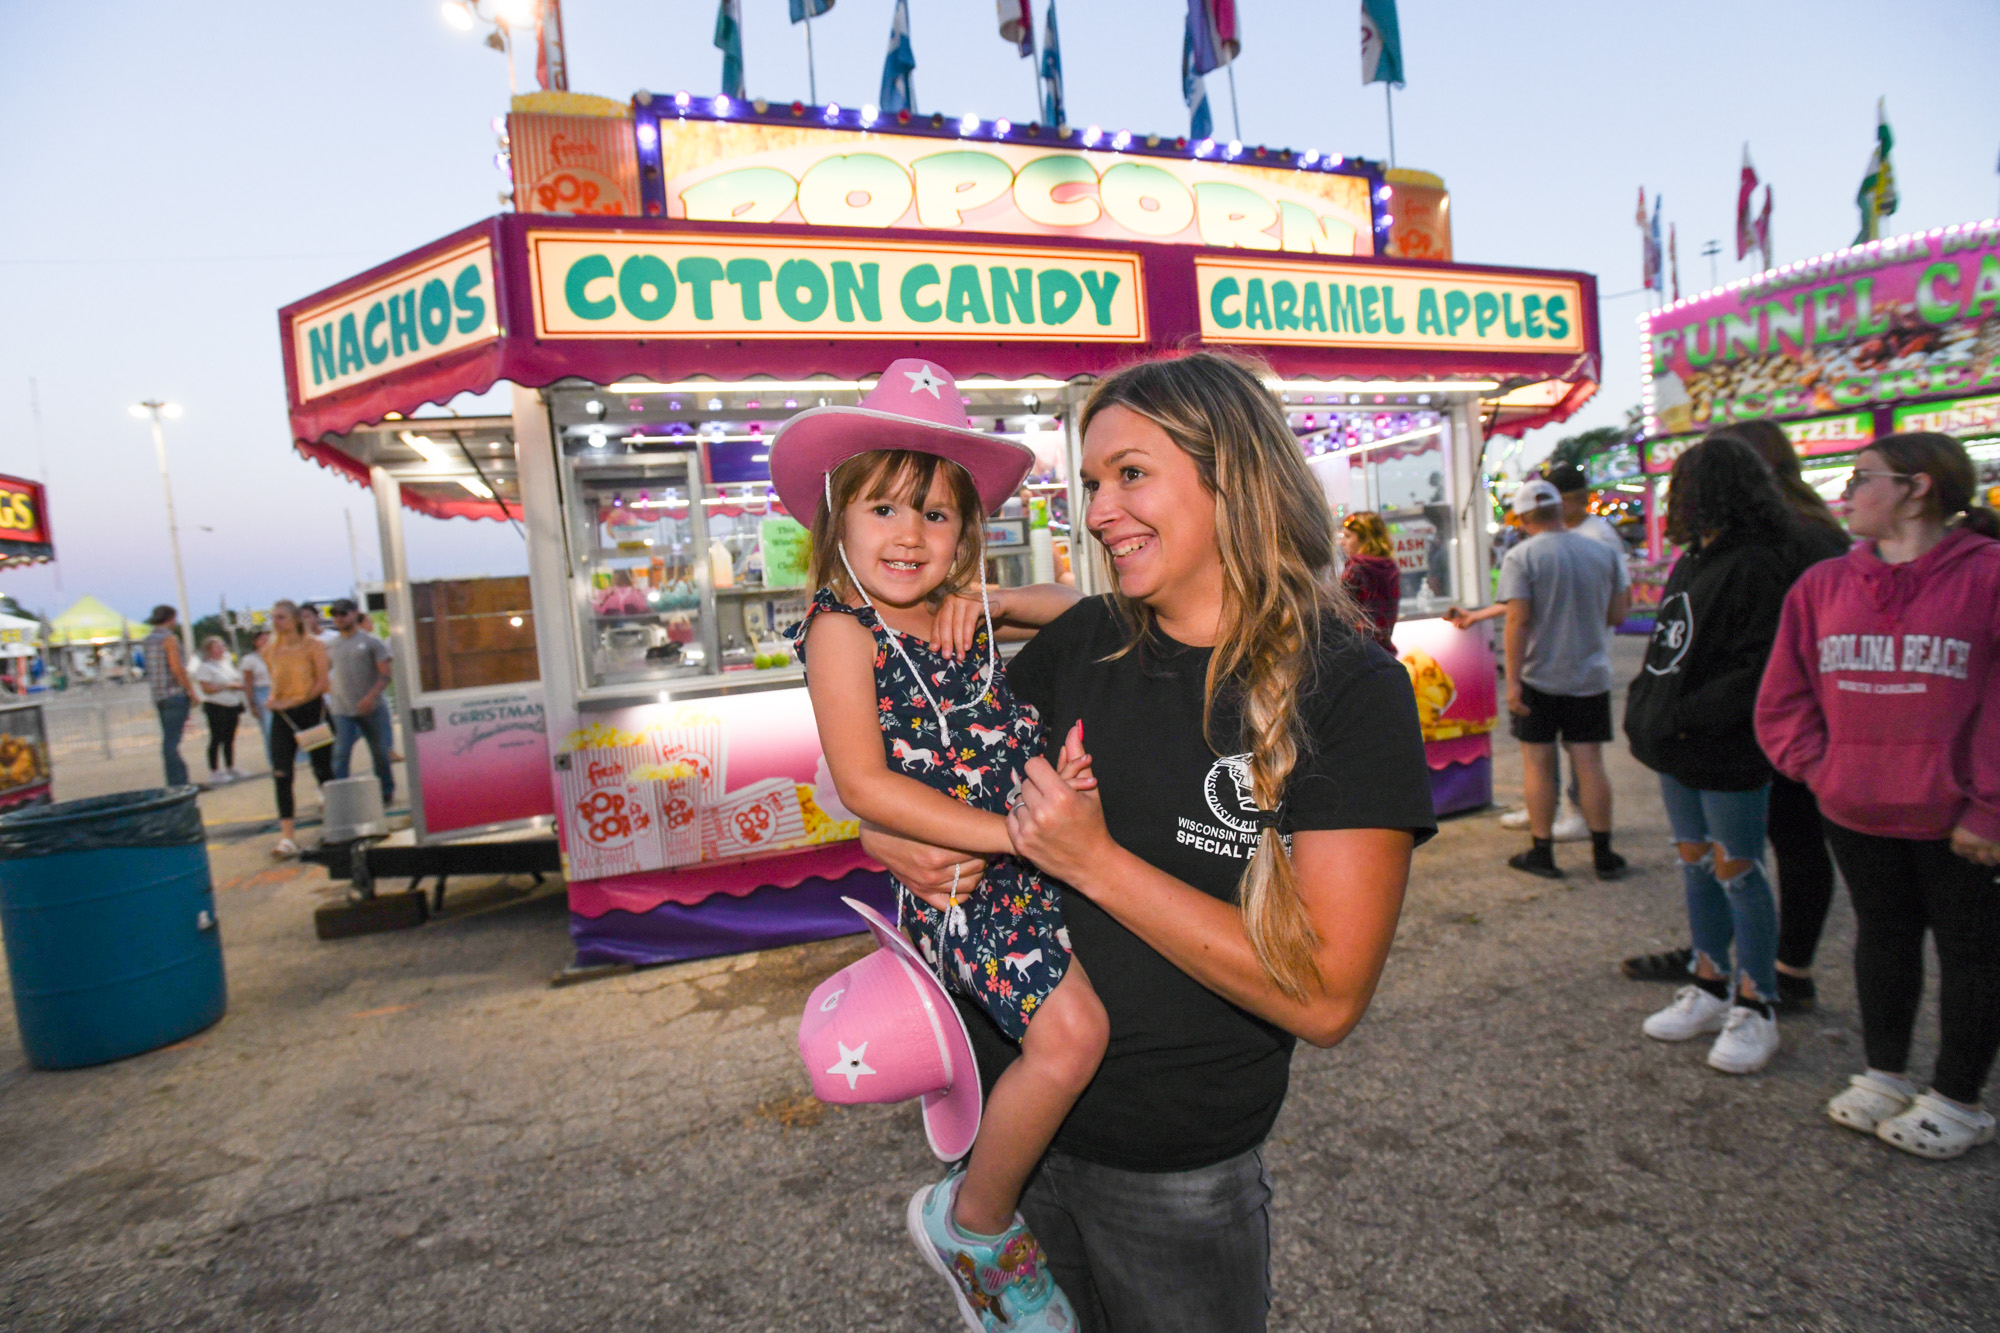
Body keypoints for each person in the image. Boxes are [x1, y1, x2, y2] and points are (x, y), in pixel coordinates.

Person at [862, 352, 1435, 1332]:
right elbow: (931, 790)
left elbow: (1329, 994)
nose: (1095, 511)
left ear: (1234, 474)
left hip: (1174, 1169)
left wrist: (1093, 861)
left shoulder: (1345, 690)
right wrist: (890, 834)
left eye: (1129, 473)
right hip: (1006, 1128)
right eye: (1090, 482)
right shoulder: (1084, 644)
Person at [776, 360, 1101, 1330]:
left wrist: (994, 598)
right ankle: (974, 1221)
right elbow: (868, 782)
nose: (908, 535)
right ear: (837, 516)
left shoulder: (959, 613)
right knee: (1073, 1035)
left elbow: (1092, 612)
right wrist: (1011, 834)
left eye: (935, 515)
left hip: (1027, 859)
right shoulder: (843, 625)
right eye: (883, 509)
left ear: (967, 530)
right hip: (971, 881)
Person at [1756, 432, 2000, 1159]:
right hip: (1855, 809)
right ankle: (1884, 1073)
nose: (1846, 493)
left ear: (1916, 487)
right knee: (1881, 941)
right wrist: (1821, 768)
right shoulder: (1823, 585)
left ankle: (1959, 1097)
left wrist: (1990, 803)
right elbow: (1785, 693)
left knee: (1973, 954)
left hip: (1963, 821)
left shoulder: (1987, 576)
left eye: (1861, 477)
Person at [1621, 420, 1850, 1008]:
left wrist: (1681, 711)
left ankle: (1775, 975)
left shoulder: (1781, 546)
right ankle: (1717, 962)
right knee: (1716, 860)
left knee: (1764, 856)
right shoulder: (1717, 552)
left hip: (1773, 727)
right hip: (1719, 730)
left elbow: (1765, 656)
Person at [1624, 436, 1794, 1074]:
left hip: (1727, 752)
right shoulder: (1693, 562)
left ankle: (1757, 1003)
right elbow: (1668, 650)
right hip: (1680, 750)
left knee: (1739, 872)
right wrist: (1650, 710)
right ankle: (1709, 980)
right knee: (1695, 865)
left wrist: (1683, 715)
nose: (1673, 499)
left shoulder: (1758, 565)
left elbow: (1758, 668)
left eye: (1682, 486)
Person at [1480, 479, 1628, 879]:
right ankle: (1603, 853)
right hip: (1590, 674)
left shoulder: (1522, 557)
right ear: (1560, 510)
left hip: (1538, 676)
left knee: (1538, 764)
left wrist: (1511, 682)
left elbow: (1518, 619)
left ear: (1526, 516)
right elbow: (1617, 614)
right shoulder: (1602, 552)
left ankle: (1542, 852)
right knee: (1590, 763)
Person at [264, 600, 335, 858]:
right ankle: (287, 836)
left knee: (322, 768)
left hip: (311, 712)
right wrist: (276, 701)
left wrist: (295, 700)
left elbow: (322, 683)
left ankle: (335, 824)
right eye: (274, 617)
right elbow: (275, 680)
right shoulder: (271, 649)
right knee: (281, 773)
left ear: (294, 620)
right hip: (282, 716)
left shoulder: (313, 646)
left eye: (281, 617)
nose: (277, 622)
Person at [327, 599, 396, 805]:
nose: (339, 618)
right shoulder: (330, 646)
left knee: (380, 753)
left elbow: (385, 675)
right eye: (335, 615)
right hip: (342, 710)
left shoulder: (371, 642)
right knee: (340, 753)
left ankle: (385, 792)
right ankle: (340, 798)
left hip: (372, 709)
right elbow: (322, 673)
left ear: (354, 614)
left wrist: (370, 696)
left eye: (343, 613)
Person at [140, 605, 196, 788]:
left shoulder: (148, 640)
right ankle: (179, 781)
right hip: (173, 693)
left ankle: (176, 779)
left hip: (158, 695)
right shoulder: (169, 639)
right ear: (171, 618)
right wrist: (190, 690)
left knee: (168, 739)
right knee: (172, 742)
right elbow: (176, 668)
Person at [1337, 511, 1402, 649]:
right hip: (1383, 650)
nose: (1342, 542)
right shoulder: (1390, 567)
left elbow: (1341, 615)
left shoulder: (1356, 569)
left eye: (1348, 536)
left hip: (1357, 651)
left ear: (1365, 539)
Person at [191, 636, 248, 785]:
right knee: (217, 737)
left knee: (230, 737)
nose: (221, 649)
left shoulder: (226, 664)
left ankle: (230, 766)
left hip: (232, 703)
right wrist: (227, 686)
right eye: (217, 647)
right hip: (216, 705)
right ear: (209, 651)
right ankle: (214, 770)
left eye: (222, 646)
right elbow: (206, 688)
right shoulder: (205, 667)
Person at [239, 628, 274, 750]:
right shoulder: (250, 659)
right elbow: (248, 682)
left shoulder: (277, 655)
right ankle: (274, 760)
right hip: (261, 691)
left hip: (277, 689)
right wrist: (251, 703)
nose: (265, 641)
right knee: (269, 727)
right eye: (262, 639)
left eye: (267, 638)